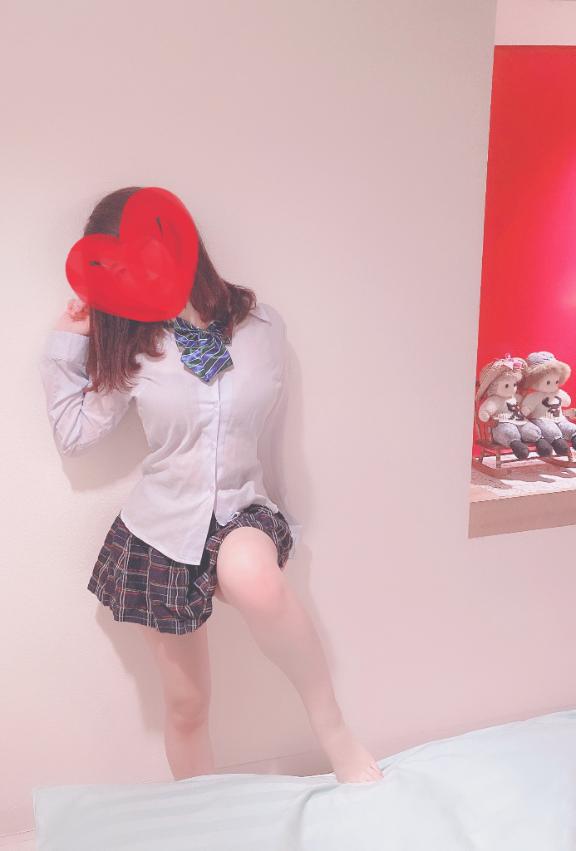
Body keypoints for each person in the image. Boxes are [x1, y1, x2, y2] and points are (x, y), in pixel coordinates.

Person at [39, 186, 384, 784]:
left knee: (251, 575)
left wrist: (287, 515)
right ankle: (203, 812)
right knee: (186, 704)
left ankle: (336, 734)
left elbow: (275, 434)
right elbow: (73, 434)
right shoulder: (134, 344)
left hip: (243, 509)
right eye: (119, 267)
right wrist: (68, 337)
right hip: (161, 529)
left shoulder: (262, 328)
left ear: (178, 239)